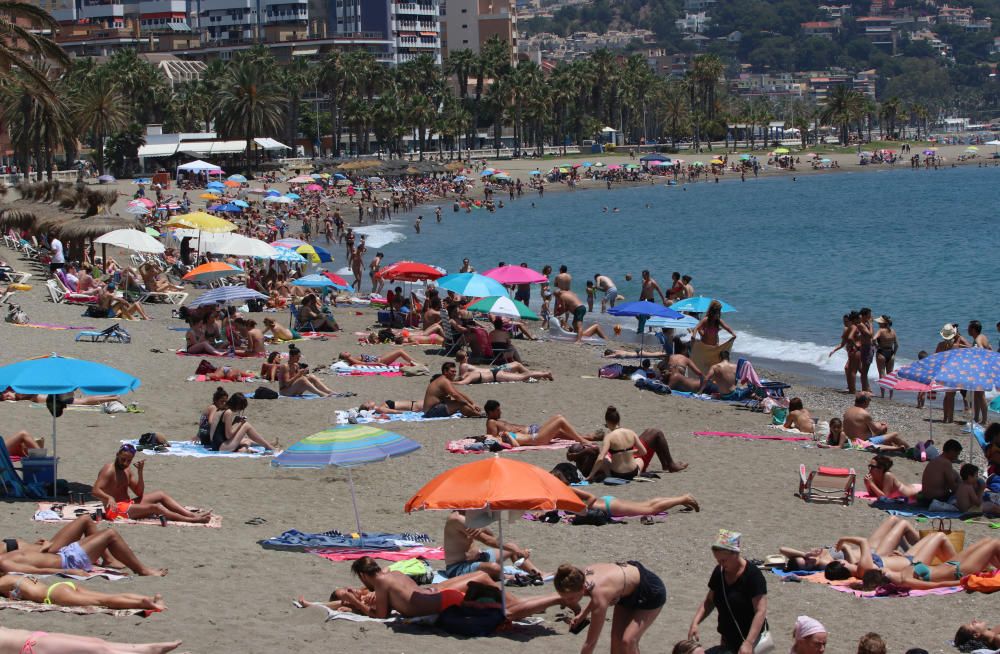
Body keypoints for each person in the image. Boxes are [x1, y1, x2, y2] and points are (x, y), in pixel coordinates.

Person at [344, 556, 560, 621]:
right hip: (434, 595)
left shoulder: (381, 583)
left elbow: (381, 616)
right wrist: (355, 601)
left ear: (364, 575)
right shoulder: (394, 574)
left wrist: (355, 603)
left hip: (436, 599)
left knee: (483, 579)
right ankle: (524, 604)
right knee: (483, 578)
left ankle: (522, 605)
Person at [555, 561, 666, 654]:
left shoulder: (600, 595)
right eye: (564, 598)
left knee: (628, 641)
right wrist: (583, 614)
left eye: (570, 598)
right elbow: (595, 593)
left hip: (650, 591)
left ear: (581, 589)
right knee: (616, 642)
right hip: (624, 591)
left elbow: (591, 643)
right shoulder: (576, 576)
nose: (567, 602)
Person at [688, 530, 769, 654]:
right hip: (728, 638)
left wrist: (748, 642)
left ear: (735, 554)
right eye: (717, 560)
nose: (720, 563)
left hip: (753, 640)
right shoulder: (719, 572)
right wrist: (695, 623)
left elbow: (760, 611)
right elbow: (709, 601)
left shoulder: (753, 576)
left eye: (723, 560)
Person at [92, 444, 212, 524]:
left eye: (129, 460)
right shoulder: (108, 470)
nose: (125, 463)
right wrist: (109, 498)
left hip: (127, 504)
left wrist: (140, 472)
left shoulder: (127, 470)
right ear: (117, 455)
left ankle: (191, 515)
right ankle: (191, 520)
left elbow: (139, 492)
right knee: (156, 508)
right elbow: (95, 490)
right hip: (115, 510)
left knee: (160, 494)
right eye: (123, 459)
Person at [0, 525, 165, 577]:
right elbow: (36, 570)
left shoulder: (5, 558)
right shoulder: (4, 562)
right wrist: (69, 571)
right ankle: (142, 570)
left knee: (105, 532)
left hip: (64, 554)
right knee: (110, 534)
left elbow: (33, 562)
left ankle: (136, 567)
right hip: (69, 560)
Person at [550, 466, 699, 516]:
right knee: (647, 504)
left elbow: (590, 497)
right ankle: (681, 498)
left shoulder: (566, 489)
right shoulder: (562, 490)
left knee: (649, 510)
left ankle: (683, 499)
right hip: (607, 502)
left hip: (608, 506)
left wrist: (583, 511)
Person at [442, 510, 543, 582]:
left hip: (479, 558)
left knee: (511, 547)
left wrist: (483, 528)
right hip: (458, 568)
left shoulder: (468, 515)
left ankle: (537, 573)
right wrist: (517, 550)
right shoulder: (457, 519)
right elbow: (488, 540)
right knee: (494, 567)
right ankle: (509, 578)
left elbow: (491, 536)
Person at [0, 574, 165, 611]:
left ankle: (145, 604)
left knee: (104, 603)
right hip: (62, 585)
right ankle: (149, 598)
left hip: (53, 595)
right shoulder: (13, 576)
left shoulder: (4, 581)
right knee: (105, 596)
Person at [484, 400, 592, 446]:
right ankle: (583, 439)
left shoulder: (496, 421)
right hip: (533, 436)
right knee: (559, 424)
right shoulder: (491, 423)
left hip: (532, 431)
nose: (500, 412)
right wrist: (506, 435)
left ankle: (583, 438)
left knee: (558, 420)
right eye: (497, 410)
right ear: (490, 412)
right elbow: (493, 438)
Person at [0, 628, 181, 654]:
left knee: (97, 642)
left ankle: (146, 648)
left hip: (37, 637)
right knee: (98, 650)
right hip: (32, 647)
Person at [843, 394, 909, 451]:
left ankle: (898, 447)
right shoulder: (864, 413)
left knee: (885, 434)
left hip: (850, 438)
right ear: (865, 402)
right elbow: (875, 430)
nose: (869, 402)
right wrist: (882, 426)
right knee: (894, 434)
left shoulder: (848, 410)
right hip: (862, 440)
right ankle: (908, 448)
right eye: (869, 400)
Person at [453, 350, 553, 384]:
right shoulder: (464, 365)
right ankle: (535, 376)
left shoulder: (463, 366)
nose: (468, 356)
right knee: (518, 366)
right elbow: (463, 377)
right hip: (495, 371)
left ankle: (534, 377)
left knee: (518, 366)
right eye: (466, 355)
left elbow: (463, 376)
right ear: (464, 357)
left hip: (494, 371)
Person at [919, 438, 962, 504]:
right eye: (957, 454)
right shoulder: (946, 463)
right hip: (934, 500)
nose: (957, 457)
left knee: (954, 473)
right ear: (951, 451)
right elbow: (953, 486)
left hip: (925, 498)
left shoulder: (936, 459)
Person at [936, 323, 963, 423]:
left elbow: (935, 359)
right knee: (951, 397)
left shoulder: (940, 345)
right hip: (953, 373)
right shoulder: (956, 346)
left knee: (947, 396)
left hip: (943, 373)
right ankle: (950, 418)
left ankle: (945, 417)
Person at [829, 312, 861, 394]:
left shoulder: (850, 328)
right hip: (853, 350)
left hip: (852, 351)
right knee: (853, 370)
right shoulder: (852, 327)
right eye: (844, 321)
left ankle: (851, 388)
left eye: (846, 321)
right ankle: (852, 389)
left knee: (850, 369)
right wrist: (856, 345)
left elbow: (845, 341)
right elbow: (846, 341)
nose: (844, 323)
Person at [968, 320, 992, 425]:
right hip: (983, 369)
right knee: (977, 394)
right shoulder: (983, 337)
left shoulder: (977, 339)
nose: (967, 330)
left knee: (980, 394)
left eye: (969, 328)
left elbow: (981, 350)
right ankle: (977, 417)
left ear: (973, 329)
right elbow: (990, 348)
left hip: (980, 370)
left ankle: (985, 419)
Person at [874, 315, 898, 399]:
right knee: (890, 375)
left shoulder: (880, 331)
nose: (878, 324)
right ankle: (891, 395)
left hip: (881, 353)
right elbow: (897, 345)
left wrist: (876, 346)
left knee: (882, 373)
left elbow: (873, 339)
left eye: (879, 322)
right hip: (890, 353)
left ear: (883, 323)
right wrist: (894, 354)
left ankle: (883, 394)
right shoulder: (893, 331)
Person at [857, 308, 875, 393]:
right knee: (864, 371)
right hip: (866, 348)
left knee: (864, 370)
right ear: (864, 315)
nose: (870, 316)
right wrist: (871, 324)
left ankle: (866, 387)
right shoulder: (861, 324)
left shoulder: (865, 323)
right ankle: (865, 389)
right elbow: (870, 334)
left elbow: (871, 335)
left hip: (868, 347)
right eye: (869, 314)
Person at [338, 350, 417, 367]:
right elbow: (365, 364)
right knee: (399, 351)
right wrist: (378, 363)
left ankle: (415, 362)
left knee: (398, 351)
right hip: (381, 360)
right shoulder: (352, 360)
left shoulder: (352, 358)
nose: (346, 351)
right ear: (345, 357)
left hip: (379, 358)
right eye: (344, 353)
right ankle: (416, 363)